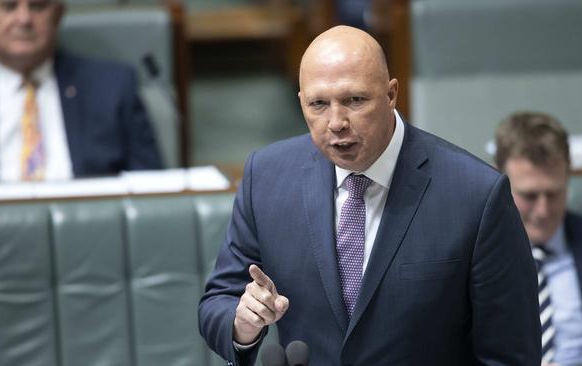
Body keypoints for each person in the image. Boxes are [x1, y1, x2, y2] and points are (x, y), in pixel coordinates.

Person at [199, 25, 541, 365]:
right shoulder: (267, 177)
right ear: (301, 102)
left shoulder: (475, 195)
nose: (336, 122)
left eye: (355, 100)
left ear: (391, 94)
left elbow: (510, 355)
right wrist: (243, 323)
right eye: (318, 104)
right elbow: (219, 301)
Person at [494, 111, 582, 366]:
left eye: (554, 193)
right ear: (499, 183)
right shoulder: (474, 255)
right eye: (529, 196)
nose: (543, 211)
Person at [0, 0, 162, 182]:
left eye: (37, 6)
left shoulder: (111, 87)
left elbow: (151, 188)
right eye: (9, 7)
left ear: (58, 15)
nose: (24, 19)